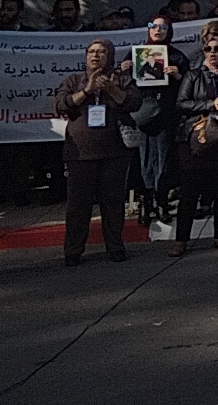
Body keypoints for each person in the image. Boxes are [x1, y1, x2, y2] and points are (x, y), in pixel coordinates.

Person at [54, 39, 141, 266]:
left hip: (114, 152)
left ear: (110, 56)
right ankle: (73, 251)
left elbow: (134, 102)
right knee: (78, 205)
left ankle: (115, 246)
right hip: (80, 154)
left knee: (113, 203)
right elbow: (61, 104)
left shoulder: (122, 79)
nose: (95, 55)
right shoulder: (74, 80)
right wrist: (86, 91)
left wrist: (111, 89)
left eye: (101, 52)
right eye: (91, 52)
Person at [169, 29, 218, 256]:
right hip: (195, 140)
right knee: (190, 192)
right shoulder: (193, 76)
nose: (212, 53)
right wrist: (211, 104)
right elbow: (181, 104)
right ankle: (181, 239)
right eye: (208, 49)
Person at [119, 15, 189, 225]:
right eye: (153, 26)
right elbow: (123, 86)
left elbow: (189, 86)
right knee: (143, 160)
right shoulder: (135, 53)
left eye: (163, 27)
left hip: (165, 115)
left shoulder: (176, 56)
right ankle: (145, 202)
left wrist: (177, 76)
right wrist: (125, 70)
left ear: (169, 30)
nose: (158, 30)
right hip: (141, 115)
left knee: (164, 159)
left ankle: (161, 201)